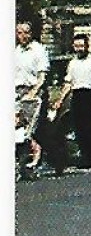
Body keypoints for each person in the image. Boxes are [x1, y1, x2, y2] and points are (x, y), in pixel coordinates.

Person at [53, 33, 91, 169]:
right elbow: (68, 83)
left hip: (90, 94)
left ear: (87, 46)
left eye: (82, 46)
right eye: (77, 46)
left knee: (90, 127)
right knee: (79, 128)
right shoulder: (72, 63)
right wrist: (60, 99)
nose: (79, 49)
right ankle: (85, 157)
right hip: (77, 95)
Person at [14, 21, 50, 177]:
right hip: (17, 93)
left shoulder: (38, 50)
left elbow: (42, 76)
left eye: (26, 32)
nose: (22, 36)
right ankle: (24, 164)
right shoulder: (15, 52)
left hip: (34, 93)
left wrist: (33, 93)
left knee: (32, 130)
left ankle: (38, 160)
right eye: (19, 32)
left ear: (31, 33)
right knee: (18, 129)